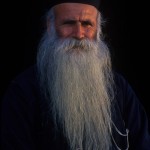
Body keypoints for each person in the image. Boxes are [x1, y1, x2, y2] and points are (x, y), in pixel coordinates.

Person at [1, 0, 150, 150]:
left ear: (98, 29)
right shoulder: (23, 91)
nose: (79, 34)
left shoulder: (119, 87)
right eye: (69, 23)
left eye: (87, 24)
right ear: (50, 26)